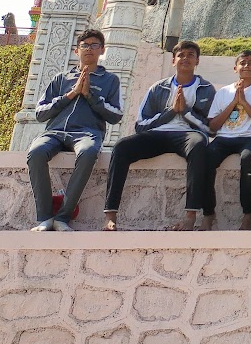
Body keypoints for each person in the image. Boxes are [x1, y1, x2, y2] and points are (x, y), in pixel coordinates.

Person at [103, 40, 215, 232]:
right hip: (158, 134)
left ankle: (190, 216)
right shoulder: (158, 87)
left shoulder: (206, 88)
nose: (185, 58)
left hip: (189, 135)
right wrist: (171, 112)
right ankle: (110, 215)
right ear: (173, 60)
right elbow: (140, 125)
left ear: (197, 61)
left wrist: (186, 112)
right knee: (122, 147)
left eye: (190, 55)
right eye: (181, 55)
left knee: (199, 146)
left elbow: (210, 128)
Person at [26, 27, 122, 232]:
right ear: (76, 51)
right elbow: (41, 113)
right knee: (36, 152)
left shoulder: (110, 80)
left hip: (87, 133)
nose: (89, 49)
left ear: (102, 50)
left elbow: (116, 115)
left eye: (94, 45)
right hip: (55, 132)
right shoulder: (62, 78)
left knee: (88, 153)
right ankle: (44, 217)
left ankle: (63, 217)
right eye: (84, 45)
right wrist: (71, 94)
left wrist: (89, 95)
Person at [203, 51, 251, 230]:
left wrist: (244, 103)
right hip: (224, 138)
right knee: (205, 160)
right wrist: (234, 103)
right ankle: (208, 213)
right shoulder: (223, 92)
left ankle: (248, 214)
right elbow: (213, 126)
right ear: (235, 68)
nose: (247, 66)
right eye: (243, 62)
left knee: (247, 159)